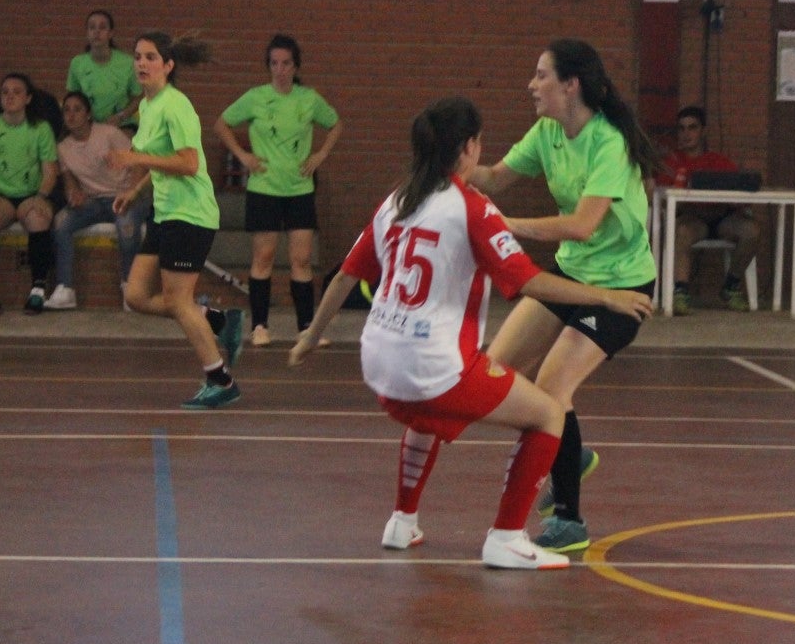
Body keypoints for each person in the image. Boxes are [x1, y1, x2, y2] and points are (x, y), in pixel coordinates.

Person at [289, 96, 653, 569]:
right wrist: (608, 297)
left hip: (378, 367)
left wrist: (311, 335)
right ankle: (506, 538)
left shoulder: (397, 200)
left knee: (431, 414)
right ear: (468, 149)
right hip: (433, 370)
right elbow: (528, 281)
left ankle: (401, 521)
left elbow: (341, 276)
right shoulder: (472, 209)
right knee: (547, 413)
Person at [465, 39, 658, 553]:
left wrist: (503, 227)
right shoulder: (548, 131)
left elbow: (581, 224)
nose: (532, 85)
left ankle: (570, 520)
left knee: (551, 388)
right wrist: (453, 165)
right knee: (490, 372)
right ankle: (569, 453)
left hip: (621, 288)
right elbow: (495, 178)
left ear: (570, 85)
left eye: (541, 75)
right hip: (572, 276)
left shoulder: (608, 143)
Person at [108, 31, 244, 410]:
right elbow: (161, 159)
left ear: (168, 66)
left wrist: (135, 160)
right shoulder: (146, 108)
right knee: (135, 295)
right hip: (165, 212)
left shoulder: (176, 105)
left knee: (178, 300)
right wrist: (135, 192)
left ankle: (221, 380)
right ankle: (217, 320)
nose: (141, 63)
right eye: (137, 56)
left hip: (192, 213)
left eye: (150, 57)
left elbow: (188, 163)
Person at [214, 34, 343, 347]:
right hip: (264, 189)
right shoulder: (256, 97)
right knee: (264, 257)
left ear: (295, 66)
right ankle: (259, 325)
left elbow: (336, 123)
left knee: (301, 260)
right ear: (268, 66)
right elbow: (222, 123)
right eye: (274, 63)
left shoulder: (308, 98)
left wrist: (320, 155)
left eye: (286, 63)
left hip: (299, 189)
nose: (280, 69)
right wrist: (243, 156)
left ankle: (306, 327)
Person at [43, 91, 151, 310]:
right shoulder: (63, 147)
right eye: (67, 110)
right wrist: (74, 195)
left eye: (77, 110)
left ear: (88, 114)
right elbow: (69, 180)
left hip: (126, 194)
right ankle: (65, 289)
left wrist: (132, 192)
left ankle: (130, 289)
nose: (71, 115)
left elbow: (138, 161)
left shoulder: (108, 133)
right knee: (61, 223)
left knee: (126, 226)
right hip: (95, 201)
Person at [0, 73, 59, 315]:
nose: (10, 96)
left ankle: (38, 290)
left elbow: (50, 170)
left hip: (31, 195)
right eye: (5, 91)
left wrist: (41, 196)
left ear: (28, 98)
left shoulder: (40, 128)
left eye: (17, 92)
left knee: (39, 217)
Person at [656, 105, 760, 313]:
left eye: (692, 128)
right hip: (692, 220)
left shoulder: (719, 161)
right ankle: (681, 294)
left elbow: (741, 192)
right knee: (682, 232)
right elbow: (661, 197)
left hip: (722, 219)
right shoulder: (671, 162)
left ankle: (731, 287)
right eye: (682, 129)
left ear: (703, 131)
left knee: (752, 231)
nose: (686, 134)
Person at [65, 9, 142, 128]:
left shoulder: (128, 63)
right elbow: (72, 99)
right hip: (87, 126)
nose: (97, 31)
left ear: (111, 33)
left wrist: (121, 116)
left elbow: (139, 97)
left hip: (122, 124)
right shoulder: (77, 63)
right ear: (87, 33)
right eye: (92, 27)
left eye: (102, 27)